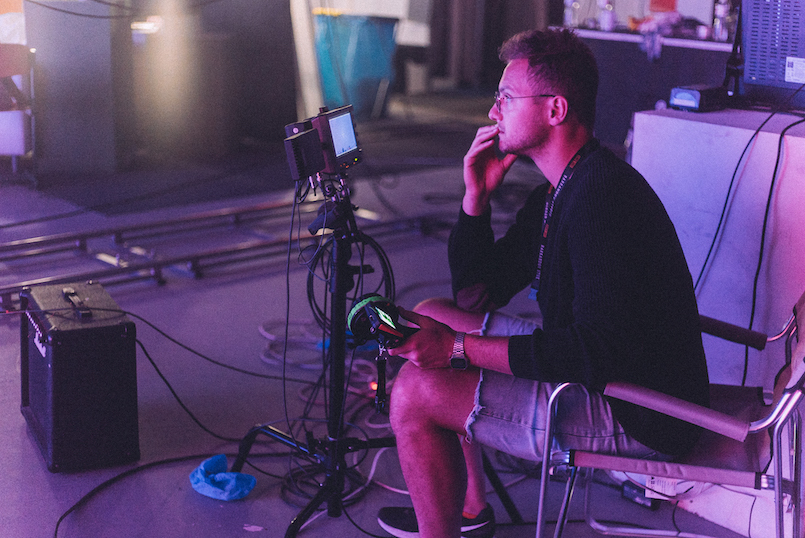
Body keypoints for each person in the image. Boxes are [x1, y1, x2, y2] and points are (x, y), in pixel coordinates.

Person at [376, 28, 710, 538]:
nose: (493, 112)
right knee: (434, 312)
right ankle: (471, 510)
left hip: (639, 411)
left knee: (413, 392)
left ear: (555, 109)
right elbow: (475, 296)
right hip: (600, 373)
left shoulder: (601, 197)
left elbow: (594, 352)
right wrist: (475, 200)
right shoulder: (559, 191)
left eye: (506, 98)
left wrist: (457, 350)